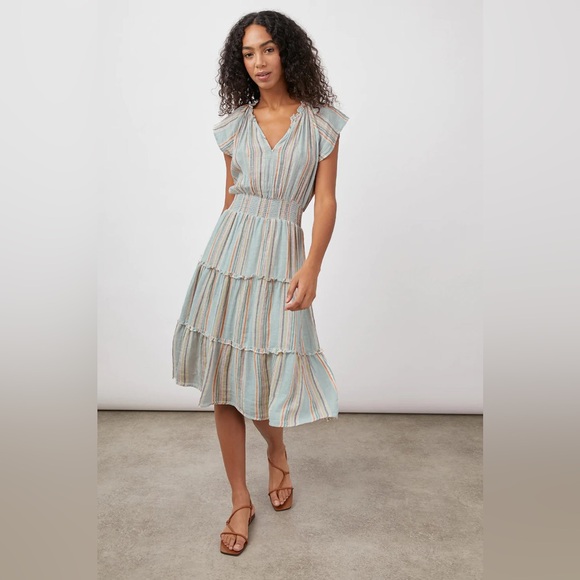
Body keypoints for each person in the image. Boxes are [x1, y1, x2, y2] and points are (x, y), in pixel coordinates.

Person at [171, 10, 349, 555]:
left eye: (267, 49)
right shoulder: (234, 127)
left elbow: (325, 202)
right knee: (224, 378)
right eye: (248, 54)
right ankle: (239, 499)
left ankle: (277, 451)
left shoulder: (321, 125)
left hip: (282, 257)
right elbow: (229, 200)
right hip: (228, 256)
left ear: (286, 52)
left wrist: (312, 267)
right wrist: (216, 268)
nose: (259, 62)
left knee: (267, 378)